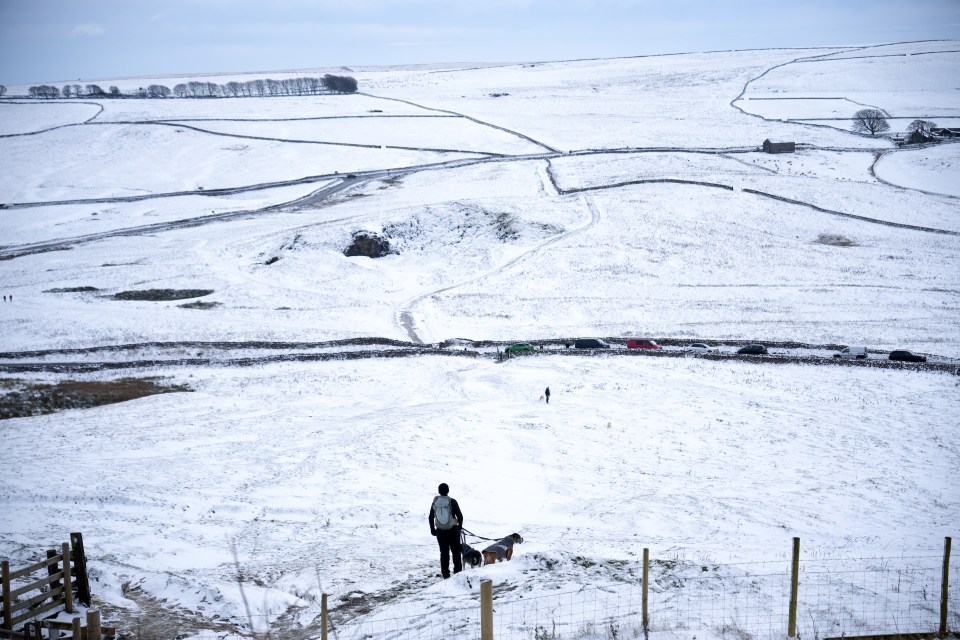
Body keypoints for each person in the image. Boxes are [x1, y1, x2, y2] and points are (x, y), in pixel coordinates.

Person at [428, 483, 463, 578]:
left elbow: (431, 517)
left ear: (439, 491)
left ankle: (445, 573)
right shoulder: (452, 501)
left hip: (440, 531)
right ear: (448, 491)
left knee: (444, 553)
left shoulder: (435, 502)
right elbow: (460, 516)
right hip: (453, 531)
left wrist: (433, 530)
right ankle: (458, 571)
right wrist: (459, 527)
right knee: (456, 551)